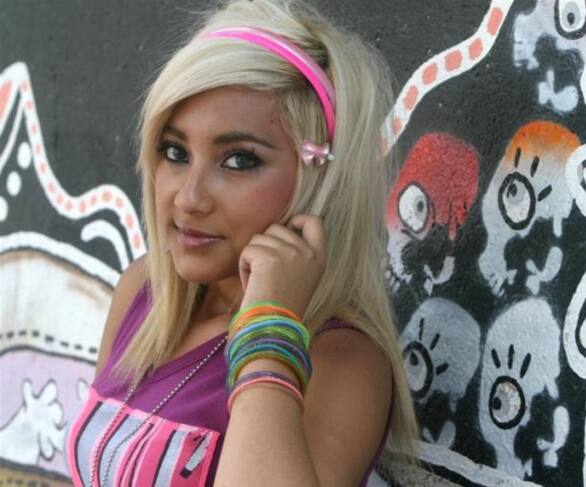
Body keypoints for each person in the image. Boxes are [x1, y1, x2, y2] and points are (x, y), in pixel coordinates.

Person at [66, 0, 420, 485]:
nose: (188, 199)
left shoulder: (343, 359)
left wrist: (269, 328)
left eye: (238, 161)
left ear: (318, 177)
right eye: (175, 152)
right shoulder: (143, 295)